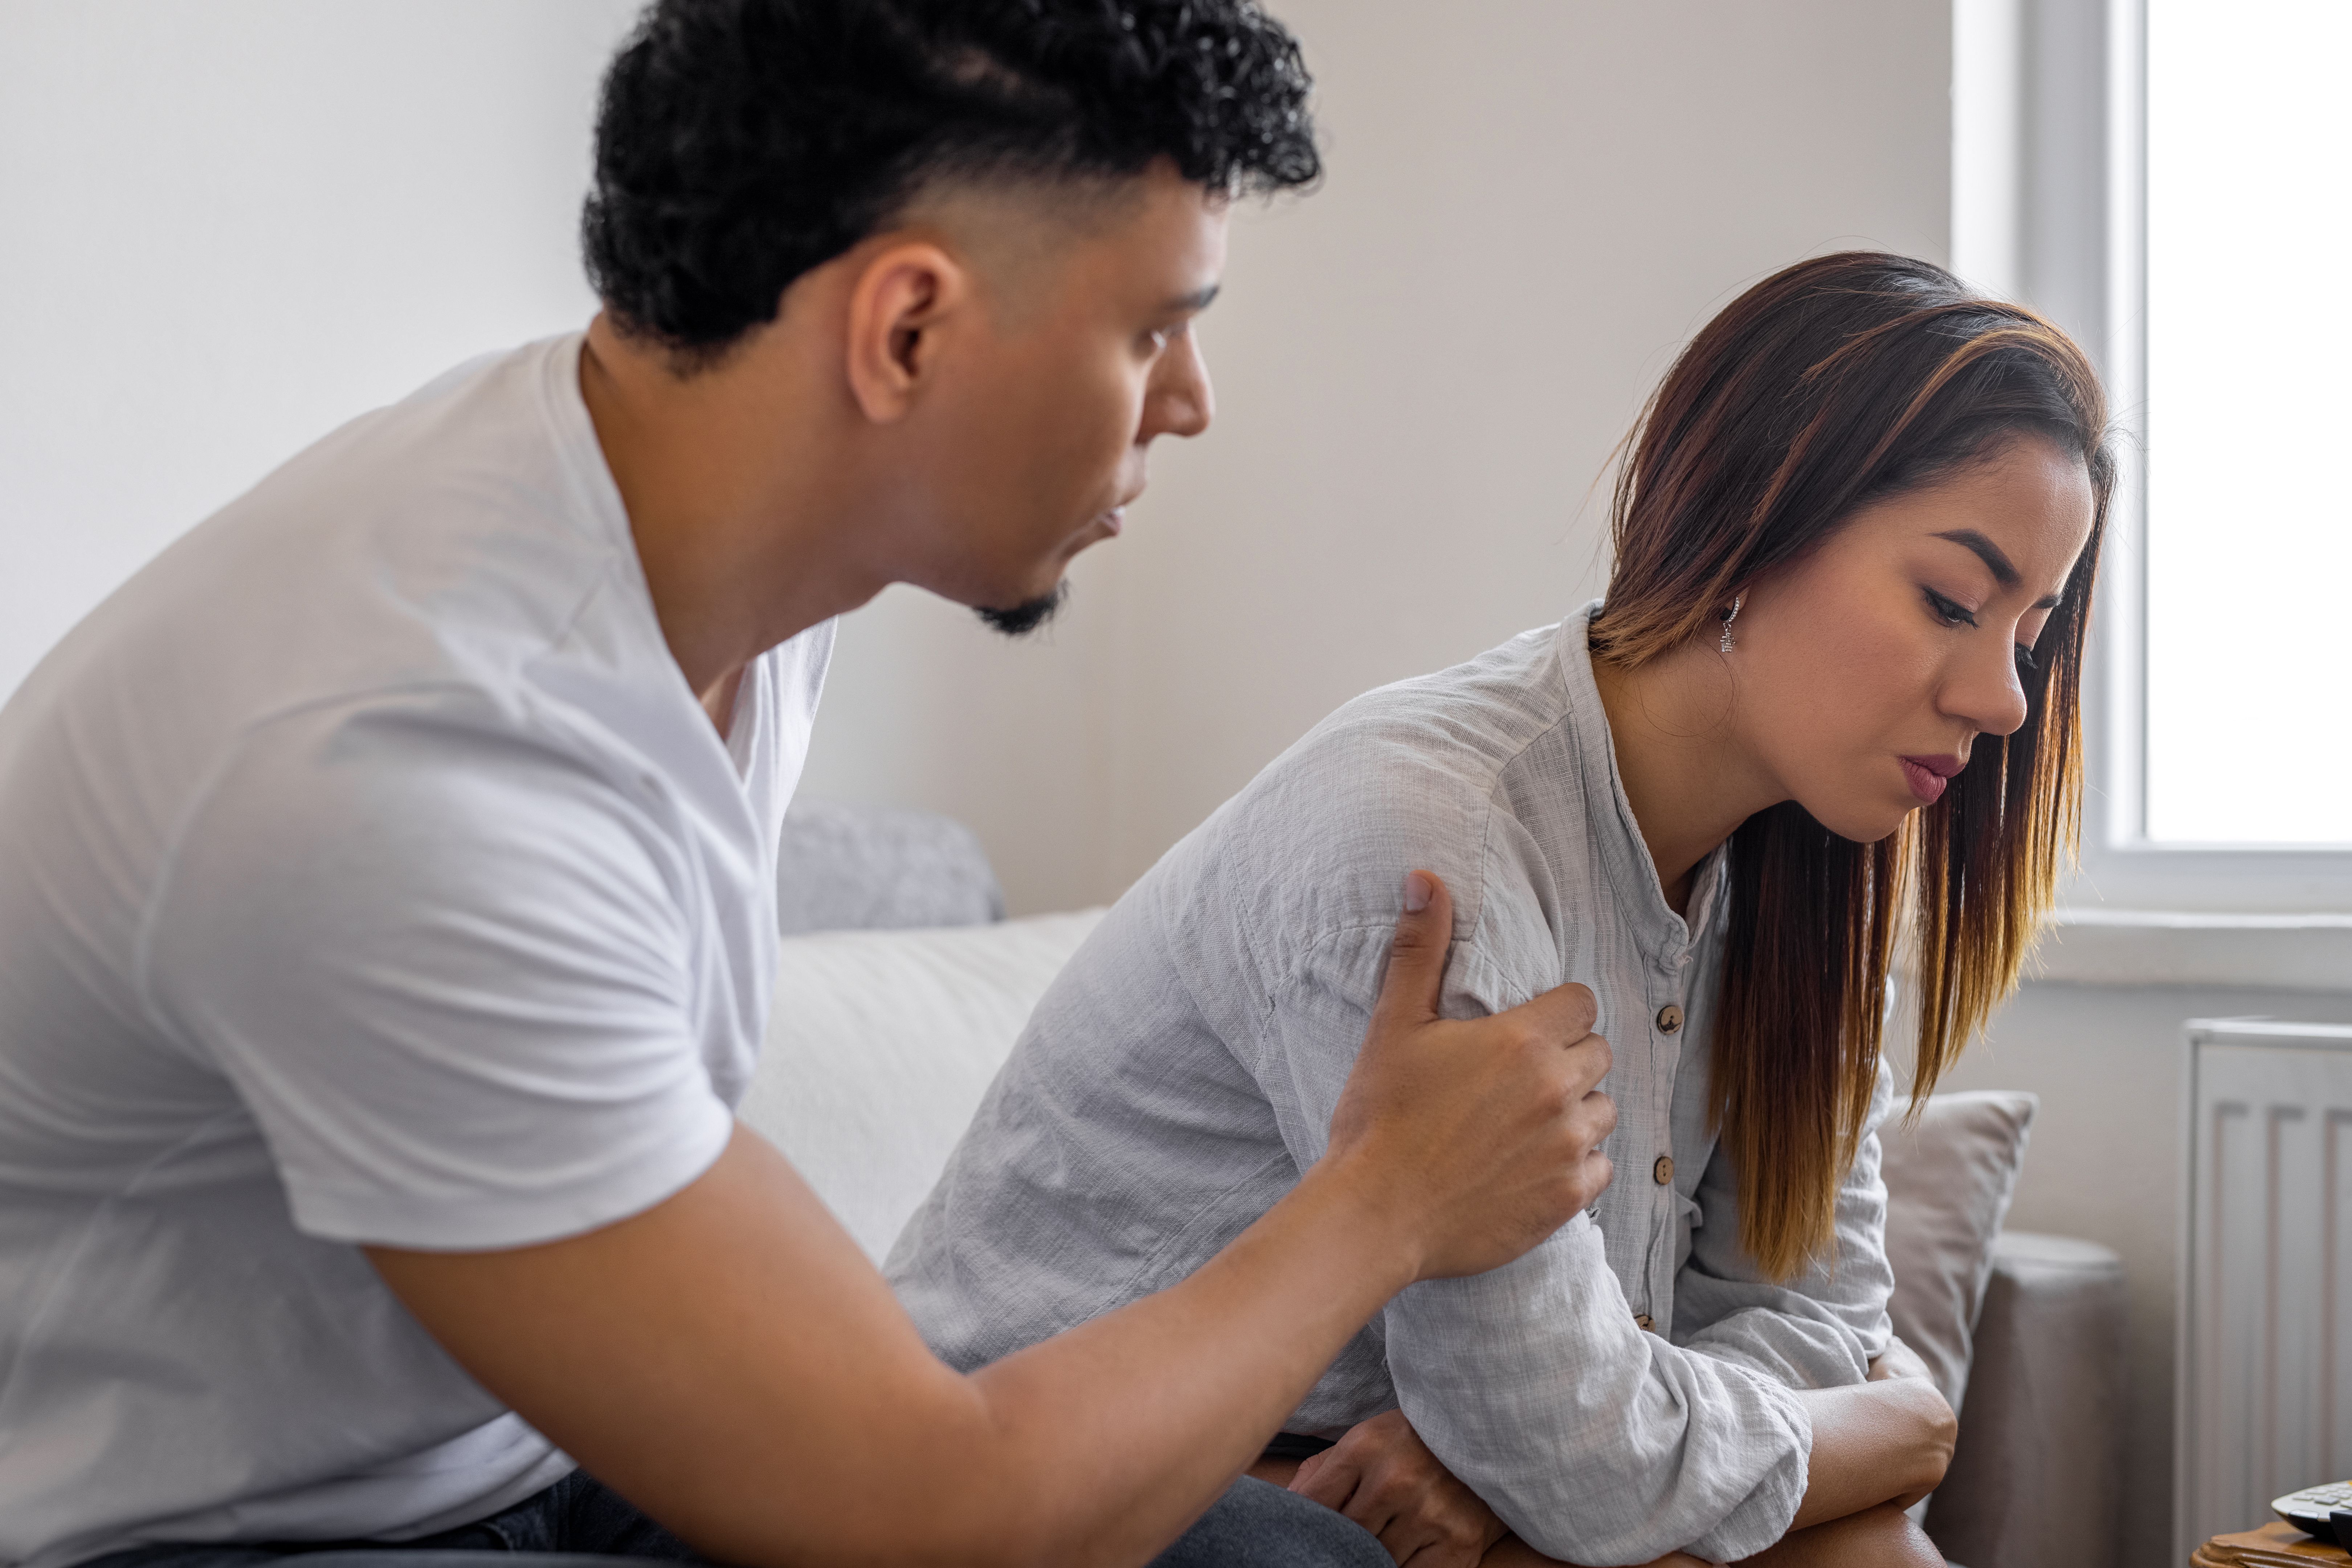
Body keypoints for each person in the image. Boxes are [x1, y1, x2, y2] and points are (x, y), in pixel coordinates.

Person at [0, 5, 1623, 1568]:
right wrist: (1388, 1202)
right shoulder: (411, 762)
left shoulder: (727, 562)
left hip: (514, 1450)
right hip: (200, 1531)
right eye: (1153, 330)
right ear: (903, 329)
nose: (1192, 403)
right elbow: (953, 1511)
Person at [890, 251, 2115, 1567]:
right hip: (1081, 1486)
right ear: (1753, 525)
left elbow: (1799, 1326)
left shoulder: (1806, 876)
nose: (2006, 702)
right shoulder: (1435, 847)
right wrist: (1910, 1424)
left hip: (1389, 1480)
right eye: (1951, 601)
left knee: (1866, 1550)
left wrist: (1560, 1445)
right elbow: (1599, 1449)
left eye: (2033, 636)